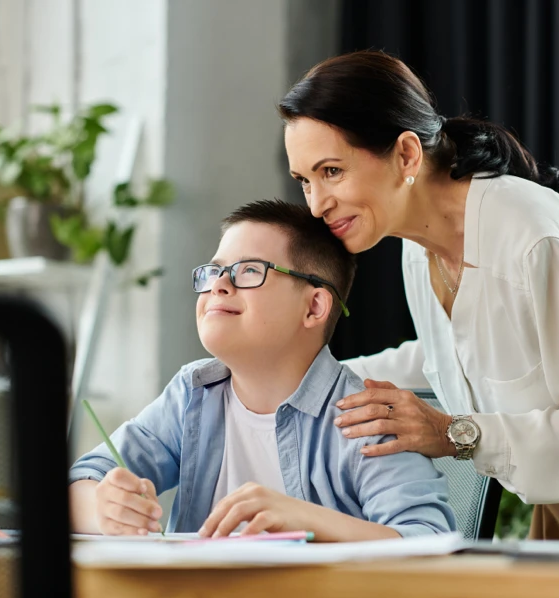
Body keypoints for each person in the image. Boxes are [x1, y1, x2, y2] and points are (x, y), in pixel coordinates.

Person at [279, 50, 559, 540]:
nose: (316, 205)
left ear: (407, 155)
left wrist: (452, 434)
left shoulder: (529, 237)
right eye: (305, 181)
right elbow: (457, 356)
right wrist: (310, 381)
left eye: (331, 171)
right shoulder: (420, 247)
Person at [68, 199, 455, 541]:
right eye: (214, 271)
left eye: (248, 271)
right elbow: (79, 483)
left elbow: (431, 543)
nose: (218, 284)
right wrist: (104, 507)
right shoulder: (194, 392)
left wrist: (306, 520)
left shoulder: (364, 416)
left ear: (314, 307)